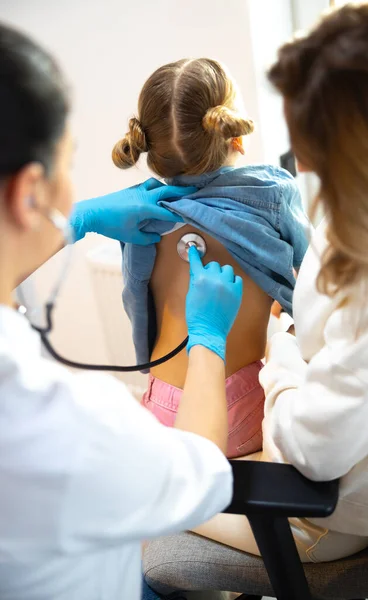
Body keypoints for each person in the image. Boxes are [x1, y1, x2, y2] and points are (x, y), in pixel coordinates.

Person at [142, 4, 368, 589]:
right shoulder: (344, 214)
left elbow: (315, 450)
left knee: (128, 506)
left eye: (311, 140)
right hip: (284, 446)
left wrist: (280, 358)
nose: (299, 161)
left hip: (317, 509)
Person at [0, 22, 244, 600]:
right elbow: (201, 473)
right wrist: (207, 336)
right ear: (28, 191)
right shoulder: (59, 421)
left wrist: (80, 218)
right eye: (69, 161)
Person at [112, 58, 310, 458]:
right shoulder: (272, 194)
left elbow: (137, 303)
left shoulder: (138, 212)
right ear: (235, 136)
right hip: (238, 406)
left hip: (163, 407)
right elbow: (318, 287)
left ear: (151, 150)